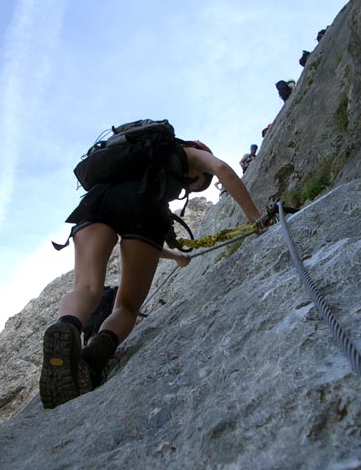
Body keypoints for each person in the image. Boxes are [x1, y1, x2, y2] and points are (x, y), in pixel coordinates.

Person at [39, 139, 262, 409]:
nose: (193, 187)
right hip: (146, 207)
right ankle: (92, 359)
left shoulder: (140, 153)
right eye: (199, 182)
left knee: (85, 288)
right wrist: (255, 217)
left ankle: (66, 326)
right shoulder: (189, 154)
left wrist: (175, 255)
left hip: (99, 200)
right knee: (128, 307)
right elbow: (223, 170)